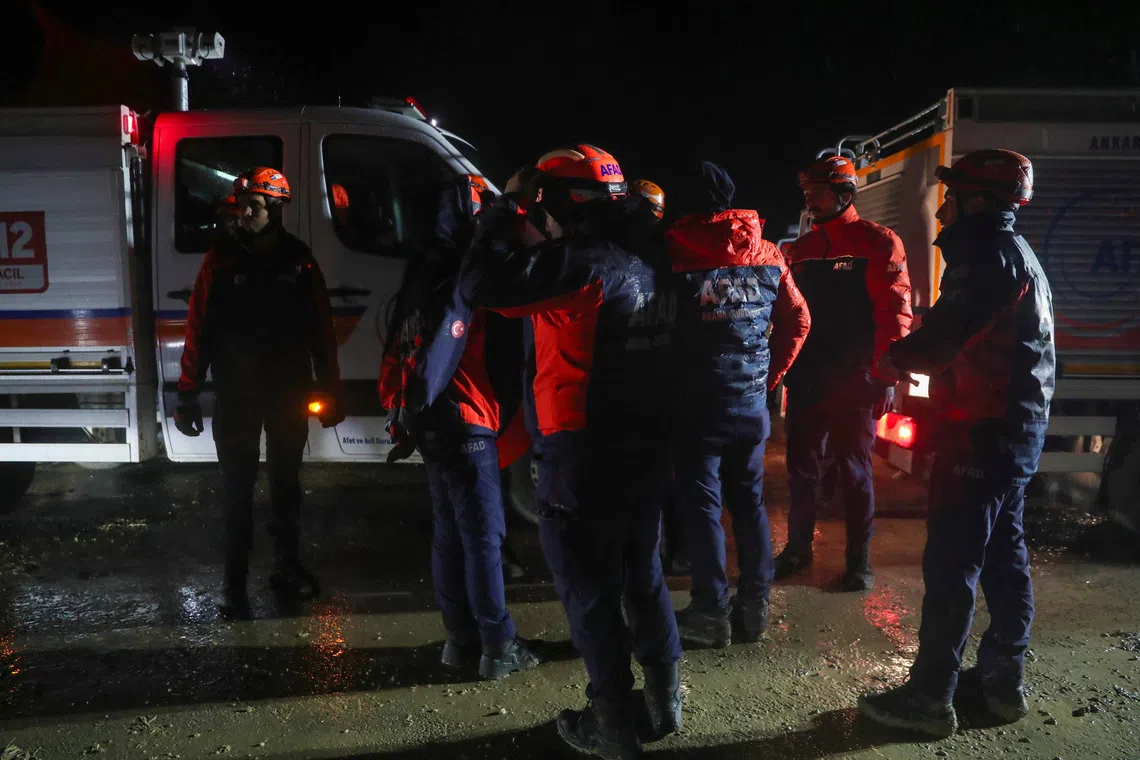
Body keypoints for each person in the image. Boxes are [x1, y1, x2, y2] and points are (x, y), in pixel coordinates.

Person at [414, 145, 683, 758]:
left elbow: (482, 284)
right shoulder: (647, 256)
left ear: (558, 202)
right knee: (642, 574)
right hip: (646, 445)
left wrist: (504, 206)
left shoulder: (582, 266)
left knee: (588, 588)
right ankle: (665, 704)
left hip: (585, 452)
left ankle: (612, 722)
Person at [859, 149, 1054, 737]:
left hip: (982, 436)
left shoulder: (988, 256)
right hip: (1010, 436)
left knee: (953, 564)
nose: (943, 209)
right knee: (1003, 560)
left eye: (954, 195)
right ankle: (1000, 687)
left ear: (978, 201)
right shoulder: (1016, 253)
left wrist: (892, 359)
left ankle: (928, 700)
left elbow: (944, 341)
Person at [379, 173, 539, 680]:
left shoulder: (421, 271)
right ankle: (499, 645)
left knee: (450, 536)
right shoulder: (468, 274)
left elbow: (398, 350)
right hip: (468, 419)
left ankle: (459, 640)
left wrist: (400, 413)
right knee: (485, 540)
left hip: (427, 419)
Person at [174, 167, 344, 617]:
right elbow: (198, 330)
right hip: (236, 396)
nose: (245, 212)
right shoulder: (220, 261)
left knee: (286, 486)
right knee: (237, 492)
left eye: (256, 205)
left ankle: (287, 568)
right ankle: (234, 585)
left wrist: (331, 389)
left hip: (287, 394)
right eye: (242, 204)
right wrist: (187, 393)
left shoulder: (300, 262)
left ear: (277, 208)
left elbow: (321, 332)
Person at [666, 161, 811, 648]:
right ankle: (754, 608)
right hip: (749, 405)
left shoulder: (674, 248)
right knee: (749, 503)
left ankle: (710, 611)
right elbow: (799, 320)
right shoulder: (768, 252)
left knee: (703, 506)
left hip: (695, 404)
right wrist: (770, 377)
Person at [777, 155, 913, 591]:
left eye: (815, 192)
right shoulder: (798, 249)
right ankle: (797, 550)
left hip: (855, 380)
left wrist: (887, 376)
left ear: (842, 193)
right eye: (805, 193)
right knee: (801, 470)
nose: (809, 201)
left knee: (855, 472)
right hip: (807, 378)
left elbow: (895, 312)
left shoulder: (878, 242)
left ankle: (859, 562)